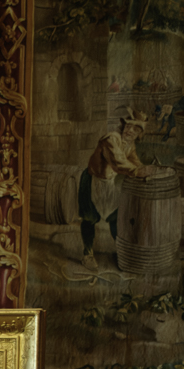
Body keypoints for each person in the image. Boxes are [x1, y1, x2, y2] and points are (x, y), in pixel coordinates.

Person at [78, 109, 155, 270]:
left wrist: (146, 171)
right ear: (124, 125)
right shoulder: (111, 139)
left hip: (109, 184)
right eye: (129, 126)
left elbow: (134, 162)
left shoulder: (129, 145)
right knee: (89, 217)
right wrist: (136, 172)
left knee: (116, 217)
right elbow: (118, 162)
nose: (130, 130)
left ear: (139, 134)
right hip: (92, 181)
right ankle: (87, 254)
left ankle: (123, 251)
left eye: (136, 129)